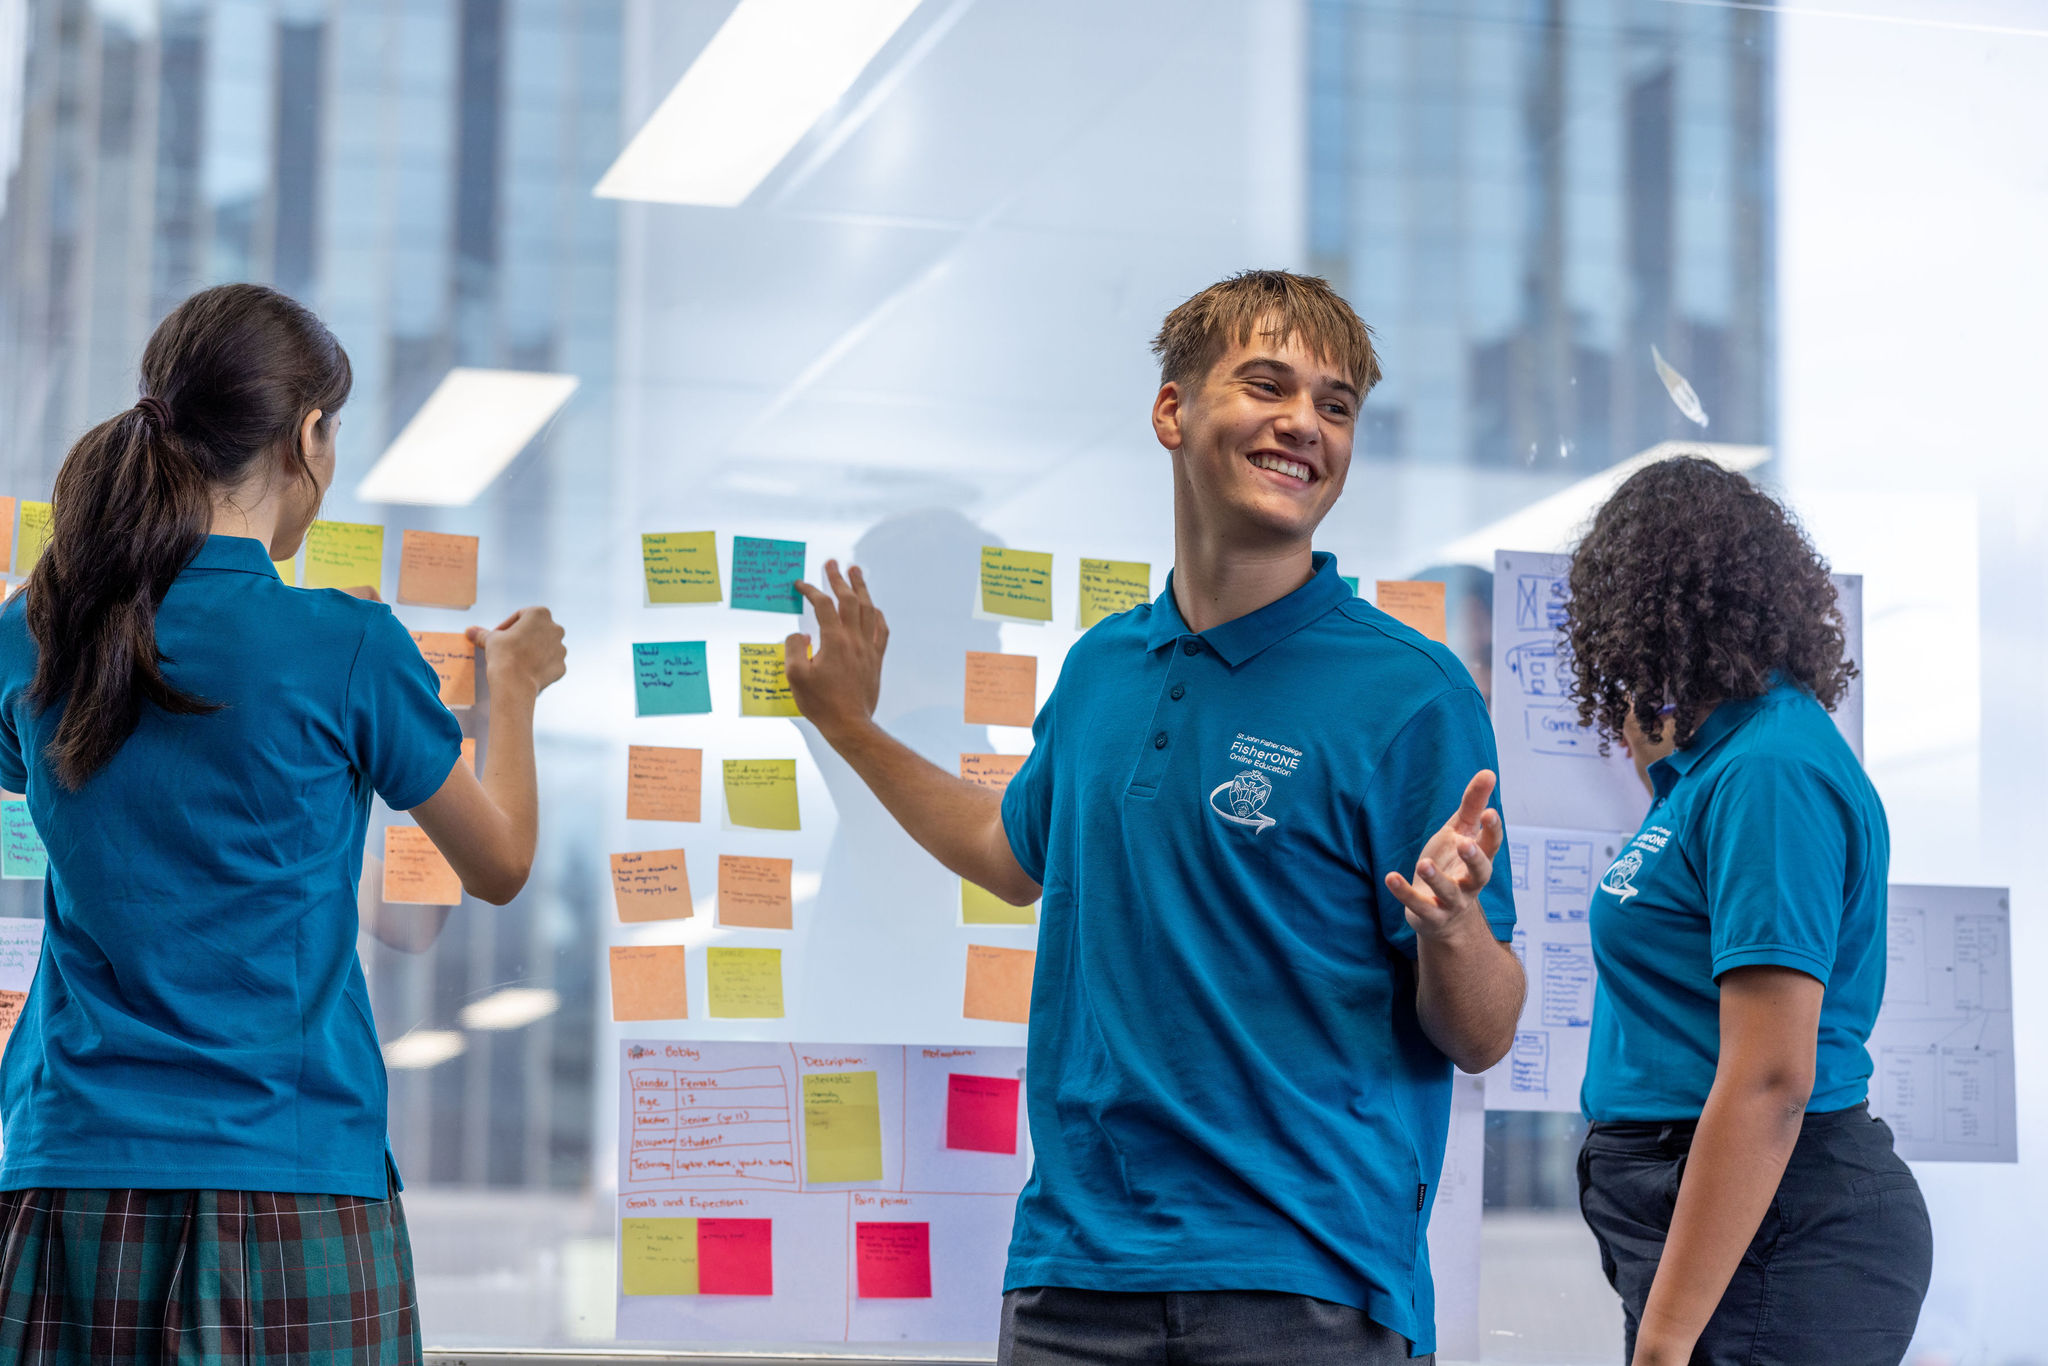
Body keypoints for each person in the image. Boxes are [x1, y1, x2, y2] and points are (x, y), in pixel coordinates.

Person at [785, 269, 1524, 1364]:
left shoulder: (1410, 692)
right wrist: (848, 729)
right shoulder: (1100, 670)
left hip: (1303, 1285)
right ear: (1171, 410)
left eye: (1333, 404)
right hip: (1073, 1277)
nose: (1301, 424)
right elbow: (1003, 853)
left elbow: (1482, 1031)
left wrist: (1453, 929)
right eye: (1265, 384)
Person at [0, 283, 567, 1364]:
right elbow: (499, 862)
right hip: (290, 1187)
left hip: (68, 1174)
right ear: (308, 434)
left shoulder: (35, 633)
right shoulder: (343, 642)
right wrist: (513, 698)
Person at [1564, 456, 1931, 1366]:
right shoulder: (1719, 764)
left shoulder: (1771, 771)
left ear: (1647, 607)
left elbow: (1771, 1079)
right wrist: (1660, 765)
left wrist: (1666, 1340)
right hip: (1735, 1223)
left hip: (1783, 1233)